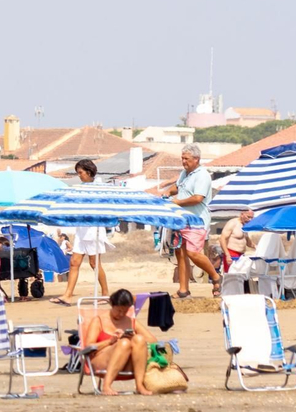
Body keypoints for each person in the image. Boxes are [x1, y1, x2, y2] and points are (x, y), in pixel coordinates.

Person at [160, 143, 223, 299]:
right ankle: (183, 289)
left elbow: (197, 198)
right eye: (182, 158)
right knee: (180, 254)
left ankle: (215, 276)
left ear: (196, 159)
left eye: (186, 159)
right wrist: (168, 191)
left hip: (197, 221)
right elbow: (179, 187)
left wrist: (176, 202)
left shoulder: (202, 175)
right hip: (181, 219)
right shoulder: (185, 173)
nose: (183, 161)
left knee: (193, 253)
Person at [78, 289, 156, 396]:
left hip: (127, 363)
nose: (121, 314)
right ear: (112, 305)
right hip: (101, 360)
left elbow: (153, 341)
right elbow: (88, 346)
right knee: (124, 343)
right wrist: (110, 341)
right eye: (119, 310)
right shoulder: (98, 320)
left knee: (139, 339)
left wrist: (133, 336)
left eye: (125, 311)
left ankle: (139, 385)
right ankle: (106, 385)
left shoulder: (130, 321)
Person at [59, 159, 110, 304]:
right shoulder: (80, 189)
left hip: (94, 229)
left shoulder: (99, 188)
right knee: (74, 262)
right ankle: (68, 295)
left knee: (94, 263)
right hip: (81, 229)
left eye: (80, 173)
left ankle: (105, 293)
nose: (79, 176)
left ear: (88, 172)